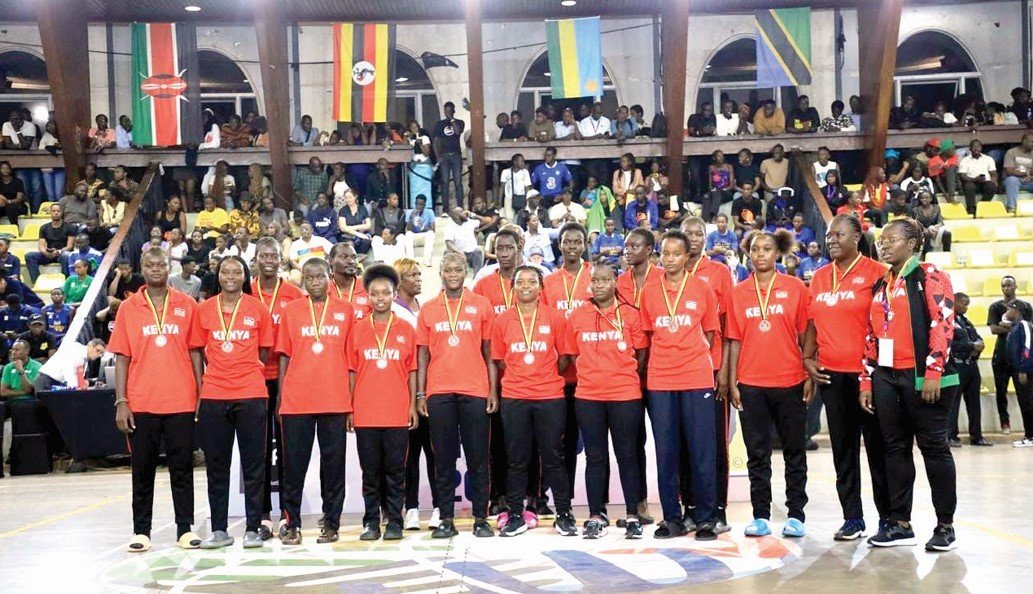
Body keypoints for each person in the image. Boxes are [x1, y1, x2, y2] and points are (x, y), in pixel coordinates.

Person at [859, 218, 958, 552]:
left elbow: (943, 323)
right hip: (886, 376)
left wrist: (933, 372)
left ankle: (945, 526)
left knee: (933, 448)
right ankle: (900, 523)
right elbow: (871, 335)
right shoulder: (881, 284)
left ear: (913, 243)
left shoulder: (929, 276)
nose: (883, 245)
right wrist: (866, 379)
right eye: (881, 240)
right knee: (894, 449)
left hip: (922, 377)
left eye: (891, 240)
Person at [802, 214, 890, 541]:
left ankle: (888, 518)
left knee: (879, 450)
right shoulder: (821, 276)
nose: (832, 240)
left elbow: (887, 322)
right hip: (832, 376)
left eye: (839, 234)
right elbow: (812, 322)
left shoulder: (877, 273)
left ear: (856, 237)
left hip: (871, 377)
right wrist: (807, 357)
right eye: (828, 235)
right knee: (843, 449)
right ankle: (852, 518)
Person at [110, 247, 202, 553]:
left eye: (161, 264)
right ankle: (141, 531)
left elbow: (195, 353)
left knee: (182, 468)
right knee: (142, 469)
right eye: (149, 265)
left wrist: (201, 393)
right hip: (141, 401)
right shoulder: (128, 308)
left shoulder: (187, 305)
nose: (155, 269)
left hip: (181, 400)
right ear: (142, 269)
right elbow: (122, 357)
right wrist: (121, 400)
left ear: (169, 267)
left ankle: (185, 529)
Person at [728, 229, 811, 539]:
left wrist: (807, 373)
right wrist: (733, 380)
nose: (760, 253)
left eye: (767, 249)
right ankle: (760, 515)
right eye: (755, 249)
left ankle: (796, 515)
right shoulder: (738, 292)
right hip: (751, 383)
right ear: (748, 254)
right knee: (757, 453)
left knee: (794, 451)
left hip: (790, 380)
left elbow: (806, 335)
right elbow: (734, 340)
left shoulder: (795, 288)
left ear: (779, 254)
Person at [637, 230, 720, 539]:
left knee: (701, 451)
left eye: (676, 254)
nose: (670, 259)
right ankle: (672, 517)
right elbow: (648, 335)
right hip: (661, 379)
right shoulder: (650, 291)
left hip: (696, 376)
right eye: (665, 253)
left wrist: (692, 356)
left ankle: (706, 517)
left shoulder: (702, 288)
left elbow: (711, 333)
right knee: (667, 451)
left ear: (688, 257)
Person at [190, 256, 274, 550]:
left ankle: (253, 528)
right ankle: (219, 530)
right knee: (216, 466)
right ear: (218, 275)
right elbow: (197, 351)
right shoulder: (204, 309)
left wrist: (244, 369)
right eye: (225, 271)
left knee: (253, 465)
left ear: (244, 277)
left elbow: (264, 351)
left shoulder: (257, 309)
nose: (230, 276)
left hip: (251, 393)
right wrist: (206, 384)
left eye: (236, 272)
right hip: (214, 395)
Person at [490, 265, 578, 537]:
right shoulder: (502, 320)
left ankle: (564, 513)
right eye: (520, 281)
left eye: (531, 281)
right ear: (512, 287)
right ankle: (516, 514)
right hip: (515, 396)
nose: (525, 285)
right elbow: (500, 360)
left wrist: (545, 374)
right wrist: (523, 373)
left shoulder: (555, 318)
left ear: (541, 287)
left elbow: (564, 357)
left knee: (553, 457)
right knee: (516, 459)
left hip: (550, 396)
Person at [415, 253, 497, 538]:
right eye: (447, 269)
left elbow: (489, 353)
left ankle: (480, 519)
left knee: (478, 457)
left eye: (458, 269)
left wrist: (492, 389)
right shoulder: (428, 308)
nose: (452, 274)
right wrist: (421, 393)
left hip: (474, 389)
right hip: (439, 391)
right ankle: (446, 518)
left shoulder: (481, 305)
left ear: (466, 272)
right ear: (440, 272)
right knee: (444, 458)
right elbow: (422, 354)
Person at [565, 260, 648, 539]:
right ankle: (596, 515)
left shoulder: (631, 314)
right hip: (588, 396)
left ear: (616, 282)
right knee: (595, 457)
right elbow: (572, 354)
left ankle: (632, 515)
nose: (599, 285)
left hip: (625, 395)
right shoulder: (578, 315)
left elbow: (641, 354)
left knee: (627, 456)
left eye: (605, 280)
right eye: (595, 280)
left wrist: (620, 374)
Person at [275, 257, 354, 545]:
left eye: (320, 277)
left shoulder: (346, 310)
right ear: (303, 281)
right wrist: (282, 397)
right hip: (297, 400)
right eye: (309, 278)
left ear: (329, 277)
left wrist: (351, 402)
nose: (316, 282)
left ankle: (331, 523)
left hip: (334, 399)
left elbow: (352, 360)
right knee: (294, 466)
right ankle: (291, 522)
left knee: (333, 467)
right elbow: (284, 355)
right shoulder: (292, 310)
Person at [348, 264, 418, 541]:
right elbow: (351, 371)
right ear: (367, 296)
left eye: (386, 293)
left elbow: (412, 371)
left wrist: (413, 405)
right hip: (365, 412)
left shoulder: (406, 329)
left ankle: (394, 521)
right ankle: (370, 521)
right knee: (371, 472)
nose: (380, 299)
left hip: (396, 411)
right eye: (374, 294)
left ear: (393, 294)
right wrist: (350, 408)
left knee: (395, 470)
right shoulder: (357, 330)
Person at [679, 218, 736, 533]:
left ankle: (718, 509)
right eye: (687, 232)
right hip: (680, 373)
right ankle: (690, 507)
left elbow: (728, 328)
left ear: (706, 237)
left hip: (712, 371)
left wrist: (725, 373)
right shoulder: (668, 275)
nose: (693, 237)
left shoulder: (719, 272)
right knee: (684, 443)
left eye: (699, 233)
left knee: (714, 443)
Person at [250, 238, 304, 535]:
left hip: (286, 379)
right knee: (258, 448)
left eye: (273, 255)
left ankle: (287, 513)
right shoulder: (245, 291)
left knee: (287, 449)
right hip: (253, 379)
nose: (268, 259)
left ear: (280, 260)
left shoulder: (294, 295)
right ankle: (261, 515)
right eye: (263, 255)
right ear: (256, 259)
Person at [541, 223, 592, 502]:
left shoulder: (595, 278)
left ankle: (599, 503)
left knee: (594, 445)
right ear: (559, 245)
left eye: (577, 242)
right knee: (563, 442)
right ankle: (565, 499)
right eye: (567, 242)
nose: (571, 246)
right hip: (559, 376)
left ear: (584, 245)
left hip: (590, 376)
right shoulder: (548, 282)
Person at [989, 275, 1033, 434]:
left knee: (1025, 395)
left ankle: (1028, 429)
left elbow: (1028, 327)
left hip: (1020, 359)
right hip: (1000, 357)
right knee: (1001, 392)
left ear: (1015, 287)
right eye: (1004, 286)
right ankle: (1005, 423)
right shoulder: (995, 307)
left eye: (1009, 285)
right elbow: (993, 329)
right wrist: (1015, 327)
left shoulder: (1025, 306)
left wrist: (1008, 326)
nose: (1006, 288)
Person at [949, 292, 991, 447]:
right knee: (954, 403)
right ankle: (951, 436)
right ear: (954, 302)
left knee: (974, 403)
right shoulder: (947, 321)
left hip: (971, 365)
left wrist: (978, 345)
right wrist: (970, 346)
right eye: (964, 304)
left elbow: (977, 337)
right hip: (956, 365)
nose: (966, 307)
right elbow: (950, 344)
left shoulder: (966, 322)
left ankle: (977, 436)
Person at [26, 203, 75, 283]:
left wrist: (58, 251)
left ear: (62, 212)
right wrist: (46, 253)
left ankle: (66, 282)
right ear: (50, 213)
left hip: (61, 254)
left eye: (58, 211)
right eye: (53, 211)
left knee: (66, 255)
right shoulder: (44, 228)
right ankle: (36, 281)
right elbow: (41, 246)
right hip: (49, 254)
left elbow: (70, 246)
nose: (56, 213)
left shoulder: (69, 227)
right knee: (29, 256)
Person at [1005, 309, 1033, 447]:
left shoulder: (1024, 324)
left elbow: (1027, 348)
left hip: (1025, 371)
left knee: (1028, 403)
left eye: (1008, 309)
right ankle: (1029, 435)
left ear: (1016, 310)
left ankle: (1031, 436)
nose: (1006, 312)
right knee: (1025, 403)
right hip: (1018, 370)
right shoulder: (1014, 326)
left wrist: (1023, 369)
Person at [433, 101, 466, 210]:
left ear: (453, 111)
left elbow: (457, 132)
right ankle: (445, 209)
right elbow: (436, 141)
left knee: (458, 182)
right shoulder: (439, 124)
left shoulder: (460, 122)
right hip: (444, 156)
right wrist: (438, 157)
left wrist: (451, 119)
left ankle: (460, 207)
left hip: (456, 155)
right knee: (445, 183)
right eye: (445, 111)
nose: (447, 113)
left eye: (449, 110)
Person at [329, 241, 370, 317]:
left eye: (354, 257)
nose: (351, 261)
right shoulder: (323, 289)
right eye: (344, 257)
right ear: (331, 261)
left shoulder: (368, 285)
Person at [958, 139, 999, 215]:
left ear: (981, 148)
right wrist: (974, 179)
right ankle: (971, 209)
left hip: (985, 182)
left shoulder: (988, 159)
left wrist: (994, 181)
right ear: (970, 149)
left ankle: (982, 205)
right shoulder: (964, 160)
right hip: (971, 182)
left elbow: (993, 174)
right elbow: (962, 176)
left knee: (992, 186)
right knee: (969, 186)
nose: (976, 149)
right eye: (974, 147)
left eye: (978, 146)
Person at [443, 207, 486, 273]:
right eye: (462, 212)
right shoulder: (449, 227)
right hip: (458, 254)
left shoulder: (470, 222)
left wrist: (472, 215)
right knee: (447, 252)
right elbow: (449, 243)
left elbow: (485, 221)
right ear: (456, 216)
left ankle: (477, 277)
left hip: (472, 253)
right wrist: (460, 253)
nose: (466, 212)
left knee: (478, 251)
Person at [1002, 133, 1033, 213]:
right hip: (1015, 181)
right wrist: (1026, 174)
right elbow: (1009, 171)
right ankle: (1011, 208)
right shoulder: (1012, 152)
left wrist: (1030, 176)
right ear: (1024, 141)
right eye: (1032, 142)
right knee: (1011, 180)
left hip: (1030, 182)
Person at [405, 195, 436, 267]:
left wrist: (421, 226)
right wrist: (411, 218)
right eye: (416, 204)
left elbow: (433, 229)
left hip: (424, 236)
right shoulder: (410, 212)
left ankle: (427, 260)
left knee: (431, 234)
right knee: (408, 234)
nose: (418, 206)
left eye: (421, 204)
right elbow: (408, 229)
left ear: (424, 205)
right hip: (414, 236)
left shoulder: (430, 212)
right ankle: (411, 261)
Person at [499, 154, 532, 220]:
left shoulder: (525, 172)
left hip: (522, 198)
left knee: (521, 218)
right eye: (521, 161)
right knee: (509, 218)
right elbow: (502, 187)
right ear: (515, 162)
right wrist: (499, 202)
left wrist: (528, 201)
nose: (523, 163)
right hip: (509, 198)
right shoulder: (505, 172)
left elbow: (527, 188)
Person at [926, 140, 959, 205]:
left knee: (950, 170)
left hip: (952, 184)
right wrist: (946, 196)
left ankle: (952, 196)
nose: (954, 151)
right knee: (932, 188)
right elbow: (937, 179)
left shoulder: (954, 157)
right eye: (953, 149)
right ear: (946, 150)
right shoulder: (933, 161)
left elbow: (952, 172)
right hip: (940, 184)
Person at [0, 160, 26, 225]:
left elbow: (19, 199)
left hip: (17, 206)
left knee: (10, 207)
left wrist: (8, 201)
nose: (5, 170)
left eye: (7, 168)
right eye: (2, 168)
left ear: (10, 170)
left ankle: (15, 228)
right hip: (2, 205)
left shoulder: (18, 181)